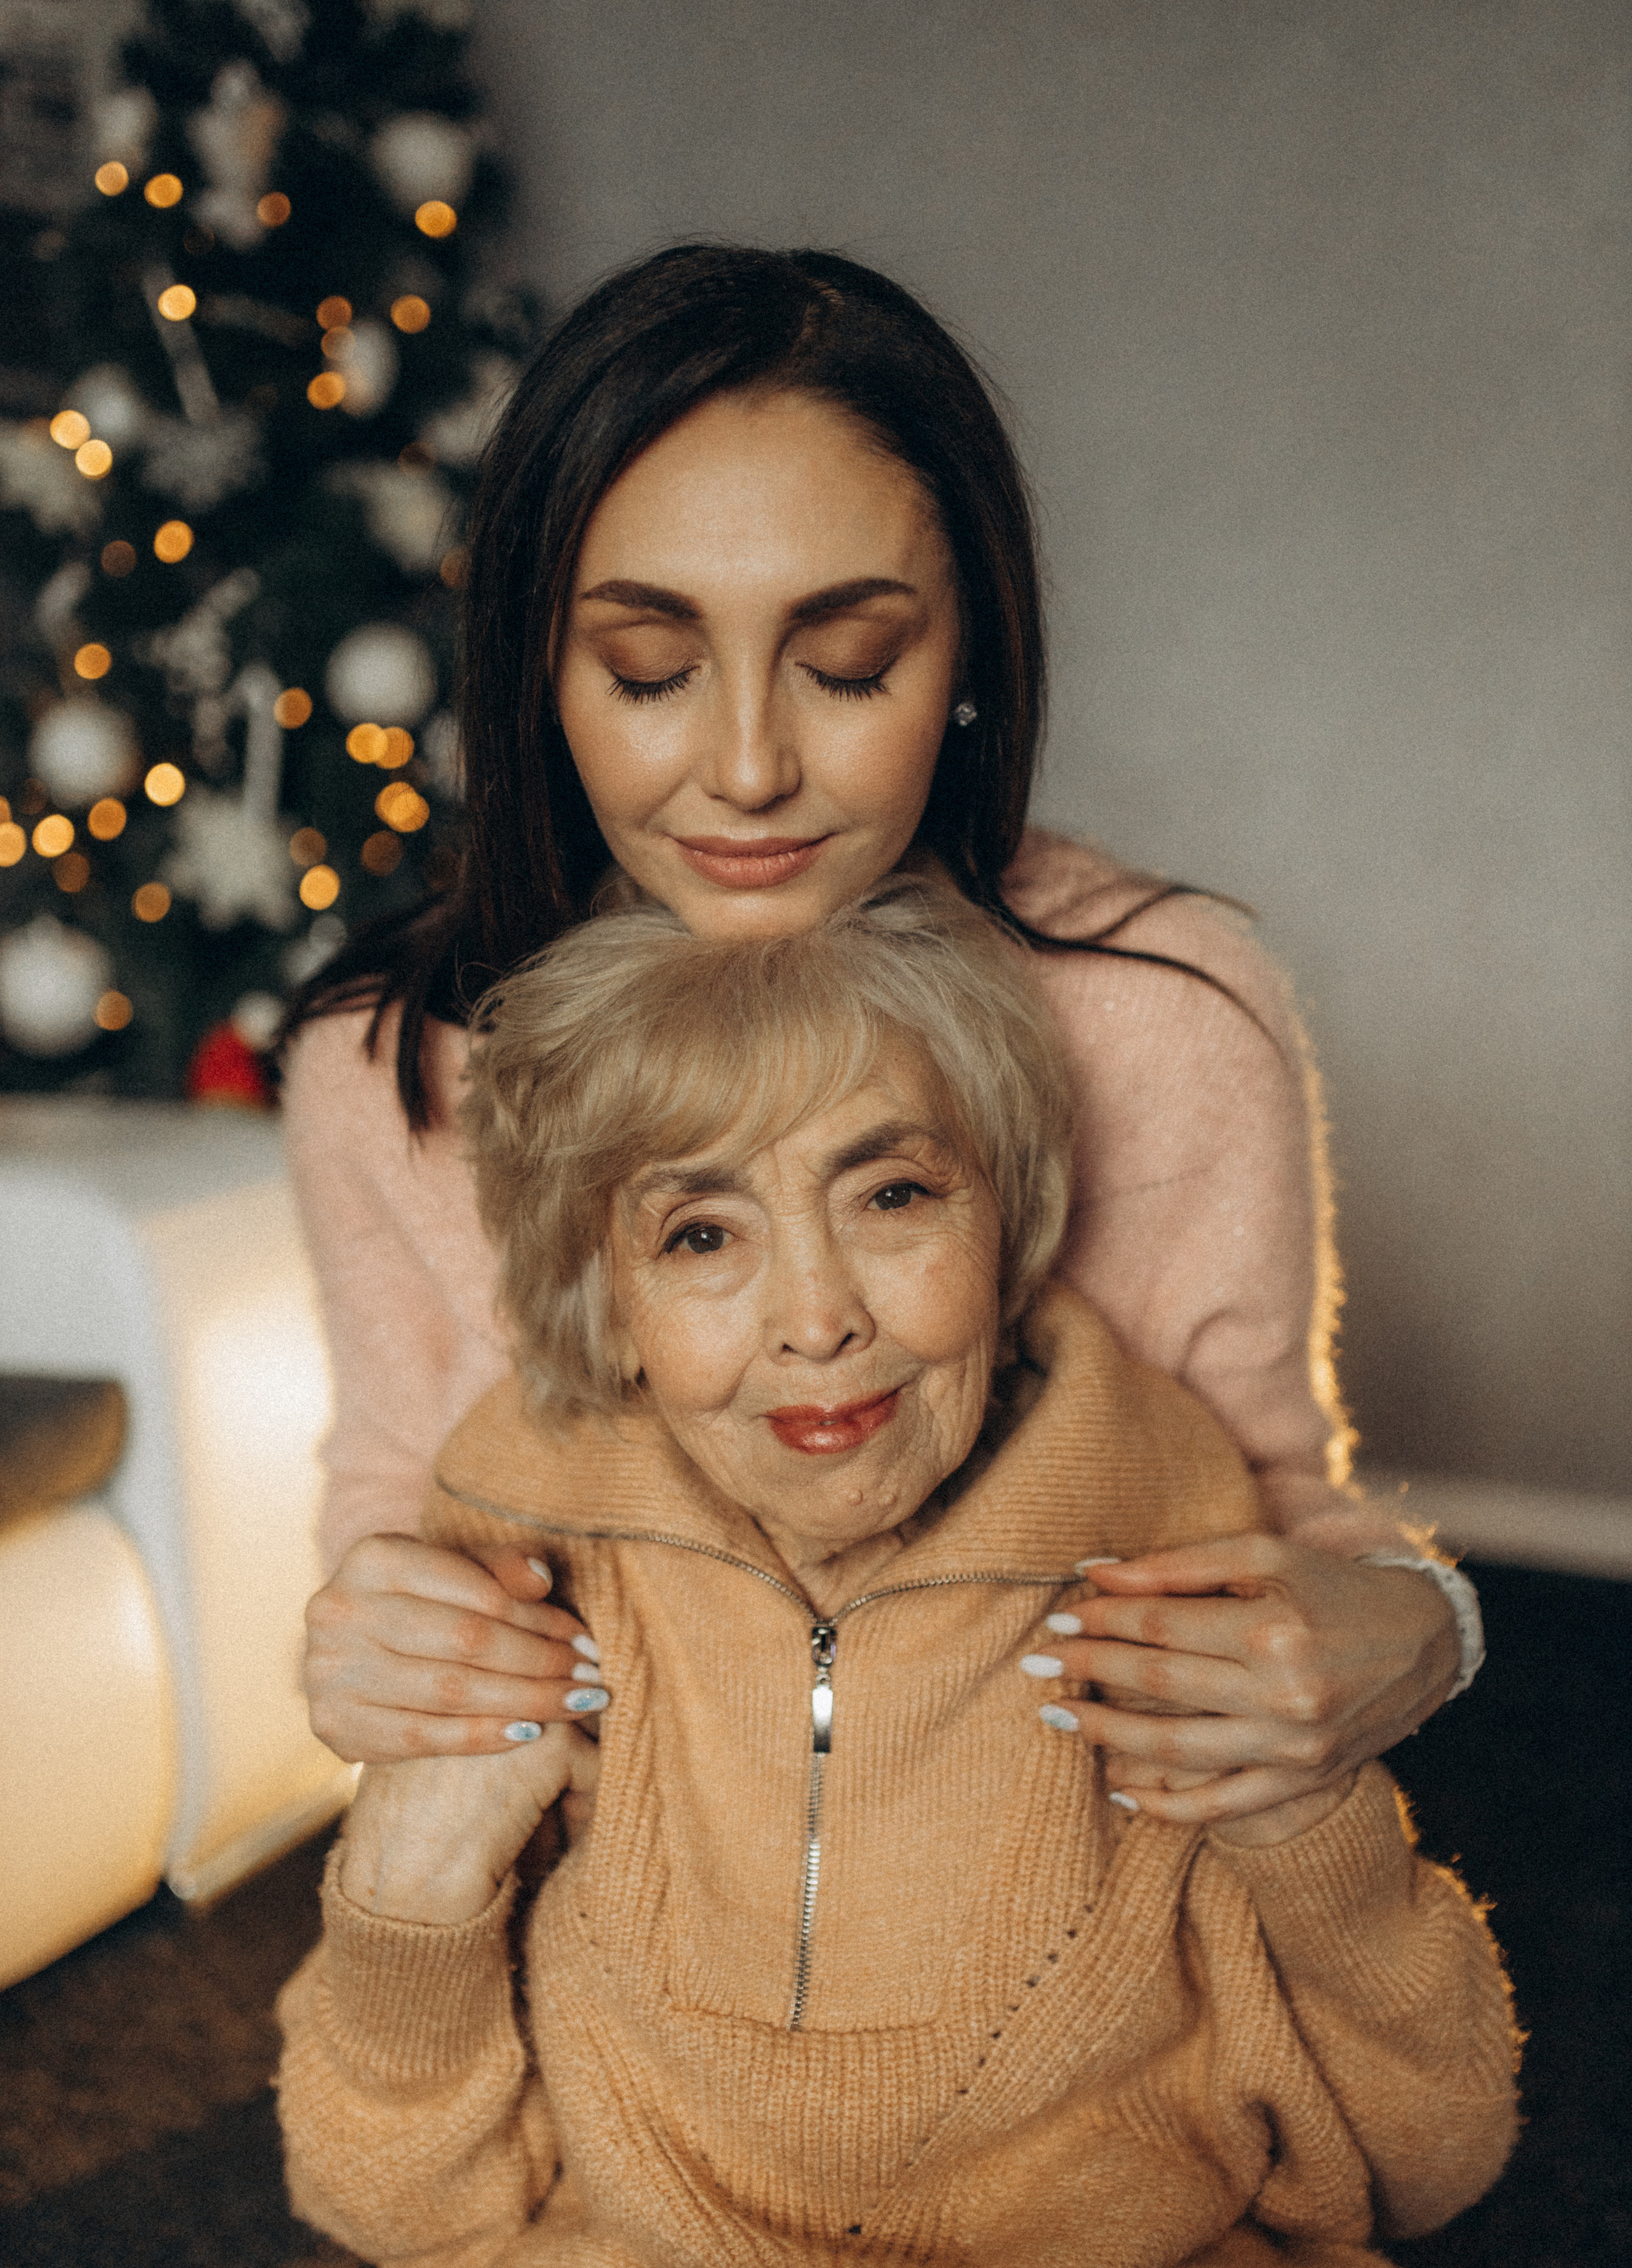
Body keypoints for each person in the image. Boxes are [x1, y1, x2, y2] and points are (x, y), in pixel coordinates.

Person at [275, 890, 1517, 2268]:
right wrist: (412, 1886)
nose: (816, 1320)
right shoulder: (518, 1565)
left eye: (891, 1197)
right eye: (701, 1234)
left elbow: (1425, 2159)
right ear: (610, 1303)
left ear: (1005, 1225)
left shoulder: (1186, 1565)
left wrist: (1311, 1831)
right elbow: (407, 2216)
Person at [280, 242, 1478, 1822]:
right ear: (537, 675)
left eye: (847, 667)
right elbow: (395, 1495)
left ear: (966, 650)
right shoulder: (392, 1063)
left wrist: (1422, 1622)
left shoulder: (1162, 1013)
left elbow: (1266, 1504)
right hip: (614, 1906)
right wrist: (368, 1643)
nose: (749, 768)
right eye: (650, 670)